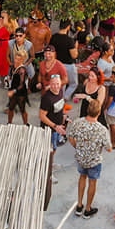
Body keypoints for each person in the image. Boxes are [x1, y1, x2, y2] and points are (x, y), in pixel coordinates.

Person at [67, 98, 111, 219]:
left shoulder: (78, 122)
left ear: (87, 110)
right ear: (99, 113)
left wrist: (78, 147)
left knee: (82, 177)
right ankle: (88, 209)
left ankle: (79, 205)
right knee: (92, 182)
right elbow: (109, 148)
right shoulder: (102, 129)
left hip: (81, 158)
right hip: (94, 161)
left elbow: (70, 137)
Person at [40, 73, 66, 206]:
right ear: (50, 84)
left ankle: (51, 164)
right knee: (48, 151)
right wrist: (55, 126)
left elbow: (60, 108)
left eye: (58, 83)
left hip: (58, 128)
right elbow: (42, 116)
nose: (56, 86)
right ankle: (47, 171)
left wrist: (64, 118)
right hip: (49, 129)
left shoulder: (60, 91)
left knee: (54, 149)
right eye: (53, 84)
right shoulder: (46, 98)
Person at [51, 20, 79, 98]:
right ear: (68, 27)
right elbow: (74, 56)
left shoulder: (53, 37)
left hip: (57, 64)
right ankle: (65, 97)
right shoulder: (69, 40)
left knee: (62, 83)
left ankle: (60, 98)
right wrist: (76, 46)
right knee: (73, 84)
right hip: (68, 65)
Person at [7, 51, 31, 125]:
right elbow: (9, 77)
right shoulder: (12, 67)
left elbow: (22, 84)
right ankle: (9, 123)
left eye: (19, 59)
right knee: (11, 107)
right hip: (12, 90)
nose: (16, 61)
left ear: (22, 60)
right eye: (15, 58)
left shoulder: (22, 70)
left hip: (20, 92)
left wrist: (13, 91)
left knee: (22, 109)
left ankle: (26, 123)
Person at [0, 10, 17, 80]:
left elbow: (6, 24)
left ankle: (4, 75)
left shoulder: (9, 24)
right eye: (1, 16)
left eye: (3, 16)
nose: (1, 18)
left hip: (5, 43)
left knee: (4, 59)